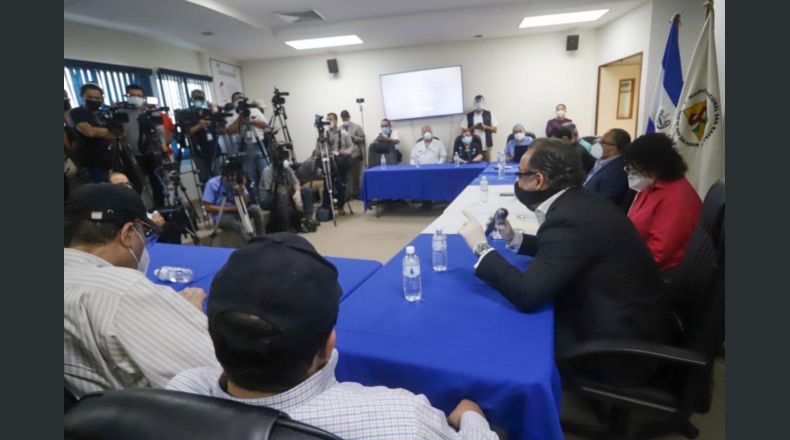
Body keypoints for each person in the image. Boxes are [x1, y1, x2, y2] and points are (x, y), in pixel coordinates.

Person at [167, 233, 498, 439]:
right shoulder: (400, 419)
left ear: (213, 332)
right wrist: (471, 418)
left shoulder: (179, 393)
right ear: (328, 344)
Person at [458, 138, 676, 387]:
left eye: (520, 175)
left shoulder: (568, 218)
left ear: (538, 180)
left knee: (506, 337)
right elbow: (564, 250)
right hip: (634, 317)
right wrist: (514, 238)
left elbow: (526, 293)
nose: (517, 182)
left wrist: (481, 247)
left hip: (620, 347)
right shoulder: (579, 200)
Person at [64, 183, 218, 397]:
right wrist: (189, 315)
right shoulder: (122, 291)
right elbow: (216, 379)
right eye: (144, 232)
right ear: (128, 233)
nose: (145, 243)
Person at [623, 133, 703, 274]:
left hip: (658, 274)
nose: (631, 172)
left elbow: (659, 255)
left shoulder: (676, 197)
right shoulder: (651, 185)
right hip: (635, 257)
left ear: (655, 166)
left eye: (635, 168)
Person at [117, 84, 168, 208]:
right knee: (135, 187)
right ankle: (139, 215)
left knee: (158, 185)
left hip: (152, 154)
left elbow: (160, 131)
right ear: (126, 96)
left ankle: (161, 213)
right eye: (132, 95)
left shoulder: (150, 112)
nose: (136, 98)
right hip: (132, 156)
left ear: (143, 97)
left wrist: (163, 145)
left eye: (139, 96)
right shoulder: (121, 112)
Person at [109, 171, 187, 244]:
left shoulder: (133, 202)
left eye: (127, 183)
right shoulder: (111, 210)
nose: (126, 187)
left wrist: (157, 222)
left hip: (148, 233)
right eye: (120, 184)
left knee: (174, 221)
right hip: (134, 240)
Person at [202, 161, 267, 239]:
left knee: (256, 210)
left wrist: (242, 187)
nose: (231, 180)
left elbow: (246, 201)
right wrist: (231, 208)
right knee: (238, 226)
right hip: (222, 214)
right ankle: (251, 244)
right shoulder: (212, 183)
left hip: (238, 208)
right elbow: (207, 207)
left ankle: (262, 238)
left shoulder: (238, 180)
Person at [226, 91, 272, 200]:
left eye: (241, 97)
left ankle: (267, 198)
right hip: (244, 147)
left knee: (266, 172)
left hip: (258, 144)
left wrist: (251, 121)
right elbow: (230, 130)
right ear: (233, 102)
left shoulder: (254, 110)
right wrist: (241, 118)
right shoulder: (233, 114)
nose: (239, 100)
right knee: (250, 176)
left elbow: (265, 124)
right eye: (236, 99)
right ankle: (255, 199)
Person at [259, 149, 319, 231]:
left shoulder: (286, 168)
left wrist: (297, 192)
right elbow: (270, 191)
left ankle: (308, 218)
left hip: (284, 192)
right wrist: (286, 192)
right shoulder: (268, 171)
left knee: (306, 191)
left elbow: (296, 181)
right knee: (283, 196)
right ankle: (285, 227)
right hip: (268, 198)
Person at [68, 83, 115, 183]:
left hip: (108, 161)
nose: (93, 100)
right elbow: (89, 132)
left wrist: (99, 131)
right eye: (90, 97)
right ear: (82, 96)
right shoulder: (77, 112)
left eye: (97, 98)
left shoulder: (104, 114)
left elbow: (117, 134)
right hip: (91, 163)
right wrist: (107, 131)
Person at [315, 112, 355, 213]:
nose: (329, 121)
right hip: (328, 162)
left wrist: (345, 151)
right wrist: (322, 151)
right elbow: (317, 151)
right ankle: (326, 207)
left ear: (336, 120)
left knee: (341, 184)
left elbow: (351, 147)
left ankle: (341, 206)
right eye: (327, 120)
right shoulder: (324, 135)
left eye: (331, 119)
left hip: (341, 161)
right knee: (327, 184)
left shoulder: (344, 133)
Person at [583, 128, 631, 207]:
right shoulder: (601, 161)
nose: (598, 144)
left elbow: (603, 202)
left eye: (603, 142)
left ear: (614, 148)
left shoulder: (617, 172)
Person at [186, 89, 221, 186]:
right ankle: (207, 200)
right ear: (192, 99)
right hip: (198, 151)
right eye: (196, 98)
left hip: (214, 149)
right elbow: (187, 131)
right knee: (204, 178)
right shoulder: (188, 113)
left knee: (217, 177)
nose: (198, 100)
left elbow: (219, 123)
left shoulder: (208, 112)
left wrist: (213, 108)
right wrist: (199, 125)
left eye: (200, 98)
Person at [459, 95, 498, 162]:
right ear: (474, 104)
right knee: (473, 165)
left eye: (480, 102)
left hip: (486, 147)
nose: (479, 104)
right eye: (477, 102)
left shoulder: (489, 114)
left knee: (487, 165)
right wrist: (474, 127)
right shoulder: (469, 116)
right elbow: (463, 132)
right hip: (472, 146)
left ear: (483, 104)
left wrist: (485, 127)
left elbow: (495, 130)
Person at [340, 110, 365, 199]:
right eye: (343, 118)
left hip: (355, 154)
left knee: (355, 176)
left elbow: (362, 138)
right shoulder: (340, 129)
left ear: (349, 117)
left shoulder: (356, 127)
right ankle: (348, 195)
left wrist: (354, 137)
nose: (344, 119)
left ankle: (356, 193)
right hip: (344, 156)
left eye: (346, 117)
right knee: (347, 176)